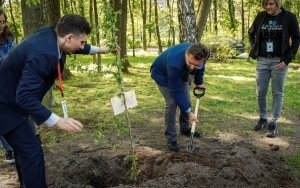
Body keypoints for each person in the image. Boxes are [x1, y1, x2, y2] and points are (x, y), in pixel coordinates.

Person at [0, 14, 115, 188]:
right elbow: (24, 97)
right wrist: (57, 121)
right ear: (69, 37)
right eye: (82, 42)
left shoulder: (51, 34)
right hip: (5, 105)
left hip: (10, 99)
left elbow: (75, 46)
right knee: (32, 151)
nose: (82, 46)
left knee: (26, 150)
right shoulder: (44, 54)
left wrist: (101, 50)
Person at [248, 0, 299, 138]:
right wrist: (254, 46)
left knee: (277, 93)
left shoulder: (289, 17)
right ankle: (263, 118)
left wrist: (287, 59)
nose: (268, 7)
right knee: (260, 92)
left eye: (271, 4)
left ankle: (273, 123)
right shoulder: (260, 16)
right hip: (262, 60)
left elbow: (296, 39)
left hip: (279, 61)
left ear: (278, 4)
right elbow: (251, 32)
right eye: (266, 4)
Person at [150, 43, 210, 152]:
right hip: (162, 73)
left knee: (186, 101)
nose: (192, 68)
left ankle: (185, 128)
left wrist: (199, 82)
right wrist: (189, 112)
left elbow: (201, 67)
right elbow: (176, 92)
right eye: (190, 63)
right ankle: (171, 139)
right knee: (172, 103)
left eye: (196, 65)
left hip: (180, 72)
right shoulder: (175, 63)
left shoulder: (206, 53)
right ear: (186, 54)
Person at [0, 9, 15, 164]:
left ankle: (32, 136)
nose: (2, 25)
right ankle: (8, 150)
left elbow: (13, 54)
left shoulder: (9, 37)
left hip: (10, 78)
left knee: (20, 106)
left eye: (3, 22)